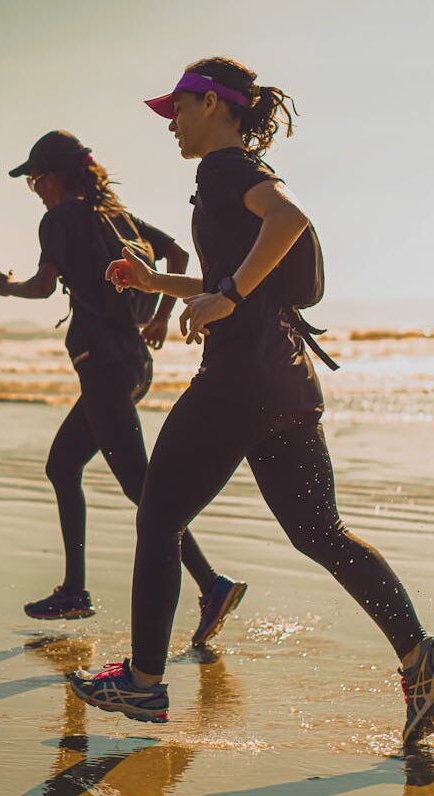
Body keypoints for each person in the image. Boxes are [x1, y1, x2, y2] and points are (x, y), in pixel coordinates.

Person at [69, 59, 433, 746]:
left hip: (239, 380)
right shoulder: (232, 178)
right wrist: (164, 282)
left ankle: (143, 683)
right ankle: (422, 658)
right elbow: (239, 276)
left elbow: (289, 220)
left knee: (158, 516)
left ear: (211, 104)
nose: (171, 123)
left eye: (177, 108)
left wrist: (225, 298)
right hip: (287, 381)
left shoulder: (223, 170)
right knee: (320, 533)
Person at [0, 130, 247, 644]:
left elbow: (44, 286)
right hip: (130, 364)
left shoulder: (59, 219)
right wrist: (157, 316)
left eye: (36, 179)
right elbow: (175, 256)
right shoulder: (119, 216)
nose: (35, 189)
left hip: (103, 364)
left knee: (143, 487)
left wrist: (9, 288)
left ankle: (211, 584)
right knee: (62, 465)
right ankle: (75, 591)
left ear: (56, 176)